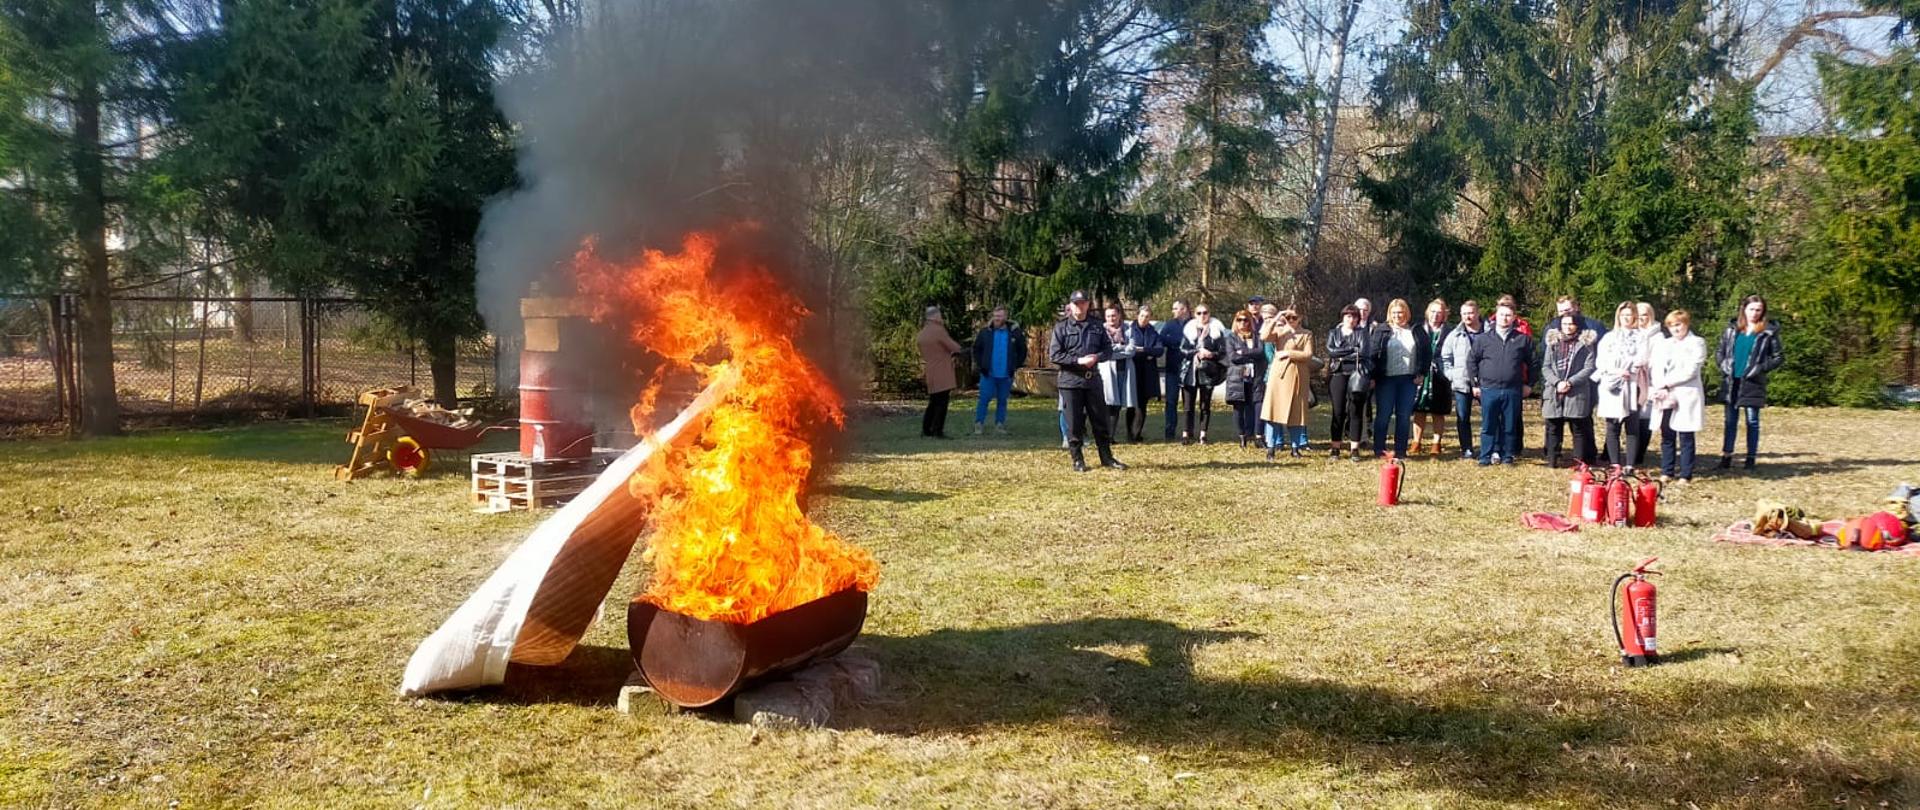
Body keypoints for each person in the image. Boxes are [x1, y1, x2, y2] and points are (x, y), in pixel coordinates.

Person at [1049, 291, 1126, 472]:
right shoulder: (1061, 327)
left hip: (1093, 381)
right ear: (1071, 305)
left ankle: (1106, 457)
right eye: (1076, 303)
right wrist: (1078, 361)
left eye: (1082, 303)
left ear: (1088, 304)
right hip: (1070, 382)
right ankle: (1077, 460)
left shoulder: (1097, 326)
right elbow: (1055, 355)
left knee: (1100, 421)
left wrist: (1096, 357)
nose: (1079, 306)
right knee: (1074, 424)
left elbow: (1107, 350)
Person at [1715, 295, 1784, 470]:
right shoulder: (1732, 330)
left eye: (1758, 310)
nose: (1754, 313)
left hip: (1753, 382)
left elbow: (1778, 357)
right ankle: (1726, 457)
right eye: (1751, 309)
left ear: (1763, 312)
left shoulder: (1768, 332)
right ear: (1744, 309)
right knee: (1730, 421)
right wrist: (1724, 365)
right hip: (1732, 381)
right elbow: (1720, 352)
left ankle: (1750, 458)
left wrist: (1761, 367)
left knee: (1752, 421)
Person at [1467, 301, 1536, 465]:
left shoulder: (1522, 339)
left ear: (1514, 318)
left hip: (1513, 389)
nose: (1505, 318)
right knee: (1488, 425)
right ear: (1495, 316)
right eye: (1502, 314)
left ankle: (1507, 456)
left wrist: (1529, 384)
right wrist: (1475, 384)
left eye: (1508, 315)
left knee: (1510, 425)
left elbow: (1533, 363)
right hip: (1488, 389)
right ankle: (1485, 456)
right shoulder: (1483, 339)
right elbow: (1471, 361)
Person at [1366, 299, 1430, 460]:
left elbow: (1426, 353)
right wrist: (1372, 376)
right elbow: (1373, 354)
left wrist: (1421, 373)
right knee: (1383, 415)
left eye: (1400, 312)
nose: (1397, 316)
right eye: (1394, 313)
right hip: (1385, 379)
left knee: (1403, 416)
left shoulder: (1416, 330)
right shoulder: (1382, 330)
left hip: (1408, 380)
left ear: (1406, 313)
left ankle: (1401, 451)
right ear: (1390, 314)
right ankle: (1379, 449)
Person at [1650, 310, 1707, 483]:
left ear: (1686, 324)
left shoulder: (1696, 342)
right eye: (1672, 326)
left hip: (1686, 393)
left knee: (1685, 434)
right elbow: (1656, 367)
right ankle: (1667, 471)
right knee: (1666, 433)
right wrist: (1660, 385)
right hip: (1665, 393)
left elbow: (1691, 370)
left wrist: (1667, 383)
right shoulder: (1664, 344)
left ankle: (1685, 473)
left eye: (1678, 324)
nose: (1675, 329)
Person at [1595, 301, 1651, 469]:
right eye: (1624, 315)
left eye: (1630, 315)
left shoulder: (1641, 337)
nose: (1627, 318)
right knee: (1612, 426)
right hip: (1612, 385)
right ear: (1619, 316)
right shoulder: (1609, 337)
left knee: (1632, 425)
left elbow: (1642, 357)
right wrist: (1616, 371)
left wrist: (1630, 368)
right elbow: (1601, 361)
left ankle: (1630, 464)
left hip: (1632, 384)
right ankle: (1614, 464)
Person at [1541, 314, 1598, 469]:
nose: (1567, 327)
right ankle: (1552, 460)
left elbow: (1589, 367)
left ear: (1577, 326)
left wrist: (1571, 382)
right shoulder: (1553, 343)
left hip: (1577, 391)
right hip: (1554, 391)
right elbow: (1546, 367)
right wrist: (1557, 382)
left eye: (1571, 324)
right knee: (1553, 426)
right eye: (1564, 324)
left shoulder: (1585, 344)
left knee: (1578, 428)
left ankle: (1579, 462)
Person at [1261, 309, 1315, 459]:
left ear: (1300, 318)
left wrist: (1288, 353)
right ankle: (1271, 447)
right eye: (1288, 317)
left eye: (1294, 317)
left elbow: (1308, 354)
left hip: (1299, 376)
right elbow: (1264, 336)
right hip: (1279, 376)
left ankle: (1295, 447)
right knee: (1273, 411)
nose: (1291, 319)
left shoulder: (1307, 334)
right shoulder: (1280, 331)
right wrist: (1276, 318)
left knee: (1297, 413)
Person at [970, 306, 1026, 436]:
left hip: (1006, 374)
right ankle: (979, 424)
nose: (996, 319)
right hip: (988, 373)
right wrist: (981, 365)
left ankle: (999, 424)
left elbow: (1022, 350)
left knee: (1002, 400)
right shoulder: (985, 332)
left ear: (1005, 317)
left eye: (999, 316)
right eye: (995, 316)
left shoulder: (1014, 333)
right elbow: (976, 349)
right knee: (984, 399)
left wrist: (1015, 365)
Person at [1178, 304, 1228, 445]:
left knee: (1205, 406)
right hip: (1190, 371)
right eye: (1199, 313)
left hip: (1208, 370)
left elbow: (1222, 351)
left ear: (1209, 314)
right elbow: (1182, 349)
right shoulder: (1188, 330)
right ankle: (1186, 434)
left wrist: (1211, 354)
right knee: (1188, 405)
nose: (1202, 316)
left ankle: (1203, 434)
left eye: (1205, 312)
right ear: (1195, 314)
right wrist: (1197, 352)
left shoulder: (1216, 331)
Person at [1325, 306, 1370, 460]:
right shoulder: (1334, 333)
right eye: (1348, 316)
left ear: (1358, 319)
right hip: (1338, 374)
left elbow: (1363, 353)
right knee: (1338, 412)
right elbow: (1331, 351)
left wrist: (1342, 353)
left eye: (1354, 317)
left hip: (1356, 374)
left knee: (1355, 411)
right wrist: (1352, 350)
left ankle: (1354, 448)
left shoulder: (1362, 333)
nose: (1351, 319)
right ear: (1342, 317)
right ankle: (1335, 447)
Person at [1440, 299, 1483, 460]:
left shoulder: (1489, 333)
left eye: (1471, 313)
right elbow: (1445, 357)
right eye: (1464, 314)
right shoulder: (1455, 334)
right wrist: (1452, 375)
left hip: (1485, 383)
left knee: (1490, 416)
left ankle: (1489, 447)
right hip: (1461, 383)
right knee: (1463, 417)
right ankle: (1467, 449)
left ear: (1477, 313)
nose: (1468, 317)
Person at [1410, 298, 1454, 457]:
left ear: (1444, 315)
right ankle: (1416, 442)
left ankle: (1436, 443)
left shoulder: (1450, 331)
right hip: (1421, 373)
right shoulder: (1417, 329)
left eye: (1439, 313)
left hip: (1440, 374)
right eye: (1433, 312)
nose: (1436, 315)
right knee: (1419, 409)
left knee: (1438, 410)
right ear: (1428, 312)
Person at [916, 305, 964, 439]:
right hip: (942, 370)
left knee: (933, 402)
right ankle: (938, 430)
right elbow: (952, 346)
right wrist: (960, 349)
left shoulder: (923, 332)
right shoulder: (938, 330)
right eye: (940, 315)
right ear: (936, 316)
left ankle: (926, 429)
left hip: (931, 369)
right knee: (942, 402)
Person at [1223, 311, 1268, 448]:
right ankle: (1242, 436)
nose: (1242, 323)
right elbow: (1233, 357)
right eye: (1239, 320)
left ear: (1250, 322)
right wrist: (1251, 355)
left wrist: (1243, 352)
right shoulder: (1231, 338)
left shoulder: (1257, 336)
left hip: (1256, 376)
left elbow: (1261, 352)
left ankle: (1258, 436)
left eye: (1246, 320)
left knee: (1258, 404)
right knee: (1239, 407)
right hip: (1238, 377)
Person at [1122, 304, 1164, 443]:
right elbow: (1129, 349)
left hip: (1147, 373)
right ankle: (1129, 433)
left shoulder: (1153, 332)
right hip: (1133, 369)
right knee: (1131, 403)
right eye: (1142, 316)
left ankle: (1137, 434)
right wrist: (1147, 352)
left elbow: (1159, 350)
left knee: (1142, 404)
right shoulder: (1129, 330)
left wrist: (1144, 350)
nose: (1144, 319)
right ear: (1137, 315)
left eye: (1147, 316)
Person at [1097, 305, 1139, 429]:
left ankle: (1118, 434)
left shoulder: (1128, 329)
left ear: (1119, 315)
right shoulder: (1101, 330)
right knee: (1109, 402)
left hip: (1125, 369)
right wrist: (1122, 347)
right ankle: (1107, 433)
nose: (1111, 318)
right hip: (1108, 370)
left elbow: (1132, 350)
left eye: (1114, 315)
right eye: (1108, 316)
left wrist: (1115, 349)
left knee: (1121, 403)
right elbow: (1105, 352)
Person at [1157, 300, 1192, 440]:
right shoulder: (1170, 325)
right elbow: (1162, 339)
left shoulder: (1193, 324)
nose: (1173, 311)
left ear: (1184, 309)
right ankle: (1169, 431)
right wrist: (1177, 343)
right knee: (1171, 401)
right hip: (1172, 368)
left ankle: (1188, 431)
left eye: (1176, 308)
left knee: (1188, 402)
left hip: (1189, 369)